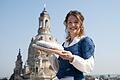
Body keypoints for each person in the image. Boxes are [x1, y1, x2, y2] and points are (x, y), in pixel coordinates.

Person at [35, 10, 95, 80]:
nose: (72, 25)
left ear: (81, 24)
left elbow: (89, 67)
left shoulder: (85, 41)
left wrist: (72, 58)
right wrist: (50, 54)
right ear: (66, 25)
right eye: (70, 22)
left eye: (76, 22)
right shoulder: (65, 44)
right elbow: (58, 69)